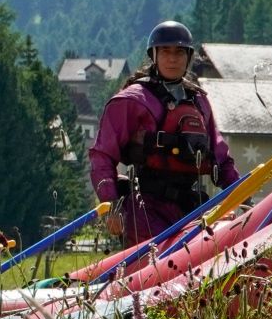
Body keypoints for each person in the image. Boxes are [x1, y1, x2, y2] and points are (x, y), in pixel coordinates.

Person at [89, 21, 239, 246]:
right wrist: (110, 205)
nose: (172, 58)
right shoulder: (132, 100)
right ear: (154, 55)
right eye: (166, 51)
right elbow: (102, 156)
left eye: (179, 52)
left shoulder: (199, 101)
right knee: (154, 268)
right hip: (146, 209)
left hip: (192, 206)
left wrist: (240, 199)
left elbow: (221, 159)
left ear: (188, 57)